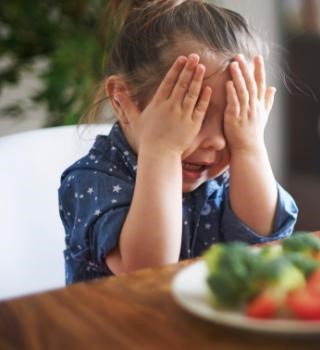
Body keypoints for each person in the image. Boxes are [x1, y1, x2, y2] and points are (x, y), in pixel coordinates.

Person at [58, 0, 298, 284]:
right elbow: (147, 271)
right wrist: (162, 151)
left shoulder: (230, 166)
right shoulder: (92, 178)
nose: (217, 142)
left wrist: (248, 145)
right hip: (118, 325)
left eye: (230, 121)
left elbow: (263, 238)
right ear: (122, 100)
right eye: (191, 116)